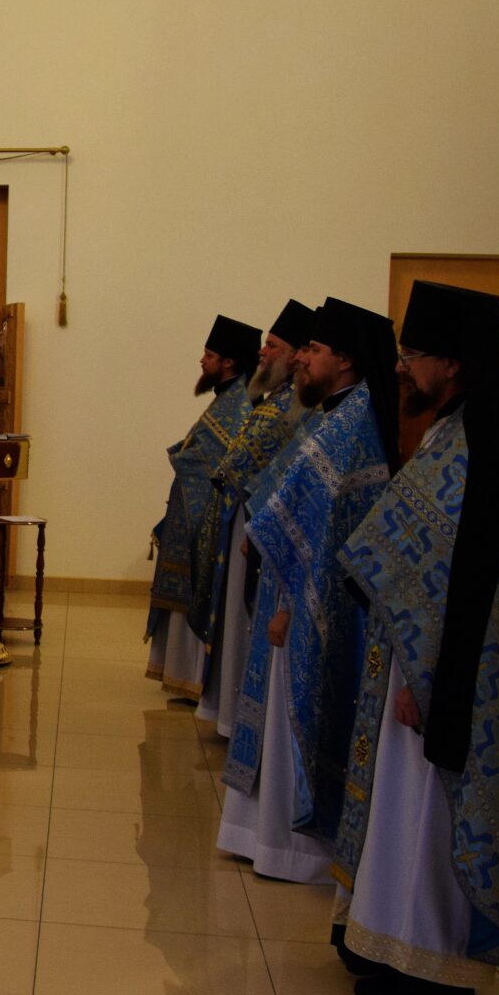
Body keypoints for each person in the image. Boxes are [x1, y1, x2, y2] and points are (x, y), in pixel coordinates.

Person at [331, 281, 499, 995]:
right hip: (420, 664)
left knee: (431, 815)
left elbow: (475, 594)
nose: (402, 367)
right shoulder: (452, 431)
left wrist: (429, 683)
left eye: (415, 355)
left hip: (448, 678)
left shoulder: (478, 451)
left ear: (453, 363)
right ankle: (393, 942)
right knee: (407, 811)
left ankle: (435, 968)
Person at [218, 298, 400, 883]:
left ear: (345, 361)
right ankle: (264, 837)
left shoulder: (354, 425)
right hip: (292, 587)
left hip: (310, 600)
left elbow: (327, 532)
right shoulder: (334, 415)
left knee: (297, 716)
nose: (301, 360)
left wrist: (294, 606)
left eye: (313, 351)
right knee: (277, 716)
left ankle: (294, 851)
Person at [195, 299, 313, 732]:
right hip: (244, 518)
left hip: (259, 525)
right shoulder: (275, 399)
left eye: (273, 345)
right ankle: (227, 712)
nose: (262, 352)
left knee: (243, 622)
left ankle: (237, 717)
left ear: (295, 355)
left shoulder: (295, 406)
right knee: (231, 621)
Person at [146, 313, 259, 699]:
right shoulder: (227, 399)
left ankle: (193, 676)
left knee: (197, 589)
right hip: (190, 514)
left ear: (228, 362)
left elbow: (216, 462)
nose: (202, 360)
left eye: (209, 355)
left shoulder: (238, 404)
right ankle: (180, 672)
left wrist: (184, 457)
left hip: (205, 519)